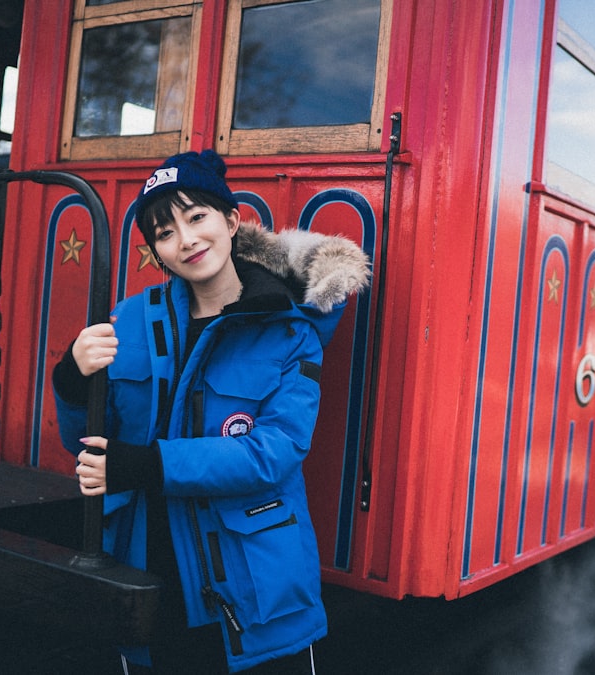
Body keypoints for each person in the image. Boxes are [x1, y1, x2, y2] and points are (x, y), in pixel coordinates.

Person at [53, 150, 370, 673]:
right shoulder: (131, 319)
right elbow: (91, 442)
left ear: (231, 220)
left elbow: (274, 452)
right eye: (165, 232)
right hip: (150, 573)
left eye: (197, 217)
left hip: (250, 588)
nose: (187, 239)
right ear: (157, 251)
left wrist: (148, 465)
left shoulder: (291, 331)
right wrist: (71, 379)